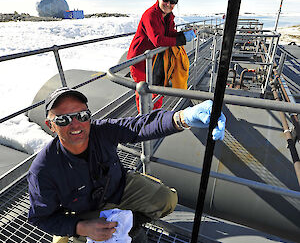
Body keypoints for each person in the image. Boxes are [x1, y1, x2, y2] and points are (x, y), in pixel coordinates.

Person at [27, 87, 226, 243]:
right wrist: (81, 227)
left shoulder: (102, 132)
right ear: (50, 125)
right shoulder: (43, 170)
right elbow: (41, 218)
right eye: (63, 120)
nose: (76, 125)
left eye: (82, 116)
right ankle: (71, 234)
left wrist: (183, 117)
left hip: (119, 188)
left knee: (166, 199)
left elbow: (139, 126)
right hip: (84, 212)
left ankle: (131, 222)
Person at [127, 0, 196, 112]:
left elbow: (169, 34)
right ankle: (143, 119)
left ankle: (155, 115)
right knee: (143, 91)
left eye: (173, 1)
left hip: (155, 59)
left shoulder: (168, 16)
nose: (168, 4)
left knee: (157, 88)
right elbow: (157, 40)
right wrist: (181, 39)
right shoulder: (150, 15)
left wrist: (182, 34)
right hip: (140, 60)